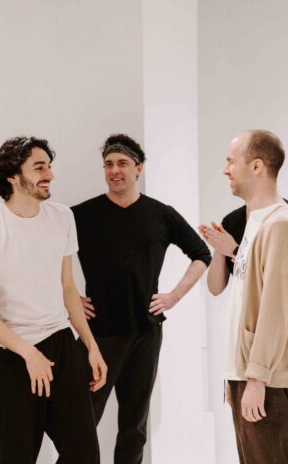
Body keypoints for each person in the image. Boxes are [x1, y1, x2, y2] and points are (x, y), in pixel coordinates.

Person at [0, 136, 107, 463]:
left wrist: (90, 345)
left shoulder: (62, 217)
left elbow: (67, 287)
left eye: (49, 166)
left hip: (62, 346)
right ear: (13, 177)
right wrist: (29, 353)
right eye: (39, 168)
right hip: (14, 356)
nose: (50, 175)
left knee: (84, 455)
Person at [71, 134, 210, 463]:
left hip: (145, 333)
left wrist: (174, 296)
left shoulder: (160, 214)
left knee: (134, 425)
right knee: (81, 421)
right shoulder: (81, 215)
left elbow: (202, 254)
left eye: (122, 163)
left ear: (139, 168)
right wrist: (71, 298)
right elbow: (45, 255)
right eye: (108, 164)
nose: (114, 171)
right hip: (98, 333)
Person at [201, 130, 288, 463]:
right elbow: (240, 297)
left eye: (231, 161)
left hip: (269, 380)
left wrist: (257, 377)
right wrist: (235, 373)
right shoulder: (255, 222)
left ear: (257, 166)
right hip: (249, 374)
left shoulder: (281, 225)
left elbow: (275, 310)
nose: (226, 169)